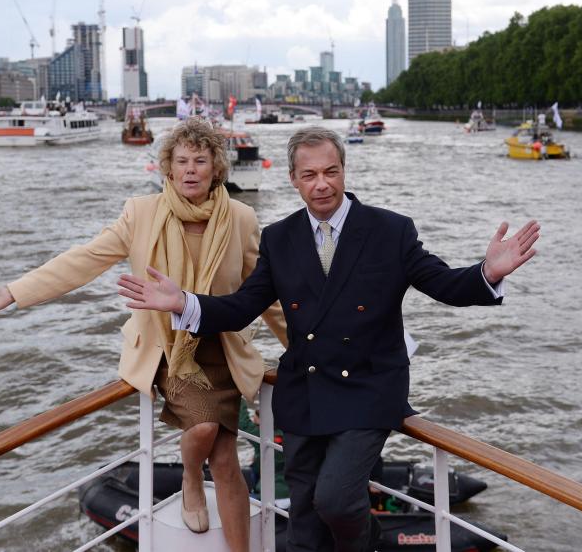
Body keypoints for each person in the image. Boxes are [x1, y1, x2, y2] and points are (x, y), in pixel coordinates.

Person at [117, 126, 540, 552]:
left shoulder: (390, 231)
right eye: (310, 175)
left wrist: (487, 273)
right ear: (293, 179)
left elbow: (444, 284)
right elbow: (243, 306)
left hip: (368, 391)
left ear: (344, 171)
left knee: (336, 499)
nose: (322, 184)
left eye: (331, 172)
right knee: (304, 523)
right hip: (305, 393)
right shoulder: (280, 238)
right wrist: (183, 303)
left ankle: (369, 543)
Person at [0, 117, 286, 552]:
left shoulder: (240, 219)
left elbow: (267, 295)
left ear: (215, 169)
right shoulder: (141, 213)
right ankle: (190, 476)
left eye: (200, 161)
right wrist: (14, 292)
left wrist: (305, 347)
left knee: (226, 460)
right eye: (181, 160)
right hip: (170, 350)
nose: (190, 169)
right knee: (206, 431)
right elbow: (85, 259)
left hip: (220, 345)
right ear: (167, 168)